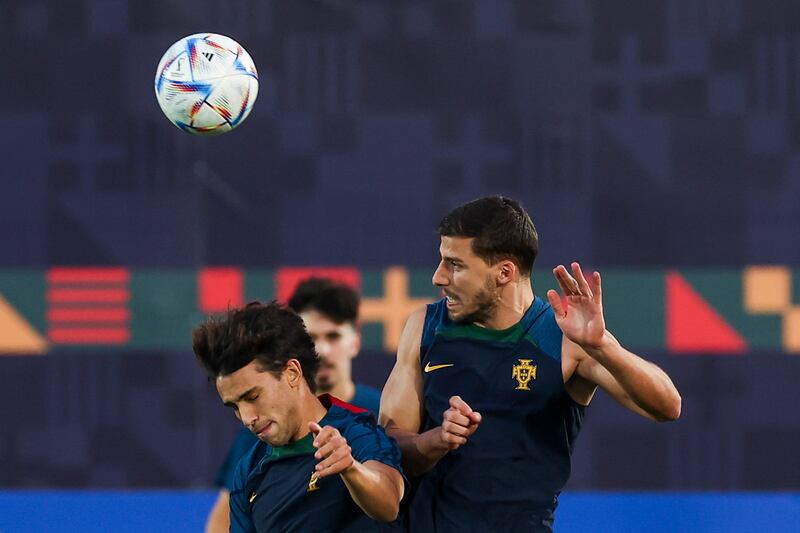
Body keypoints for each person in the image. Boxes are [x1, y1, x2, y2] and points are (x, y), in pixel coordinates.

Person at [379, 195, 682, 532]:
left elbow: (667, 406)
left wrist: (603, 347)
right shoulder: (425, 326)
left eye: (455, 264)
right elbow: (389, 448)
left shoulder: (567, 340)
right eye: (441, 261)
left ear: (505, 272)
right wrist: (436, 439)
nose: (438, 277)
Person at [192, 301, 405, 532]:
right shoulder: (248, 471)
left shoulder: (358, 432)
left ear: (292, 373)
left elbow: (389, 505)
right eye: (234, 406)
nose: (246, 418)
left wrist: (351, 468)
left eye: (253, 397)